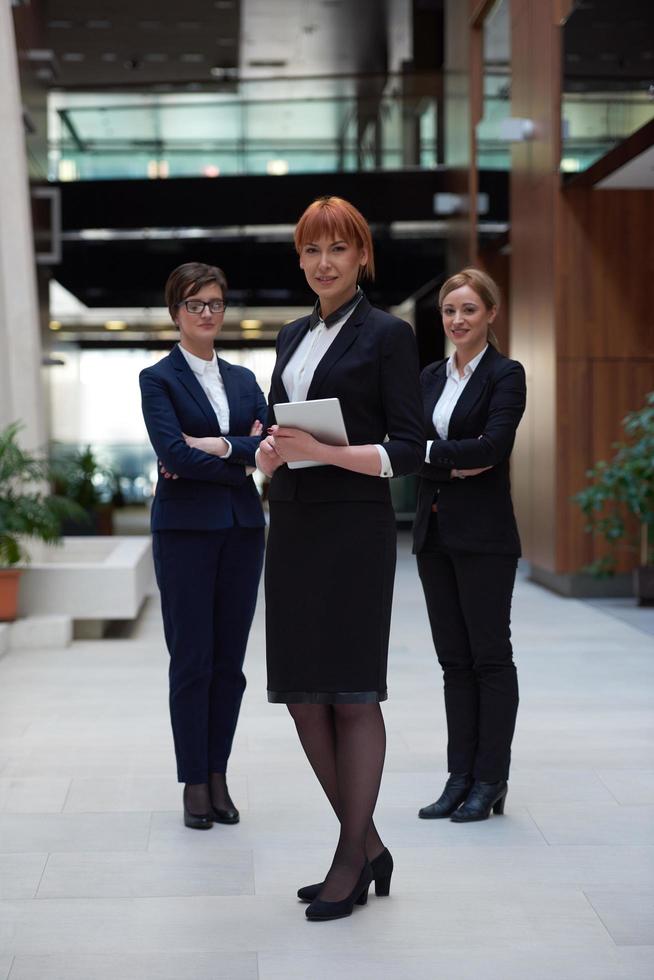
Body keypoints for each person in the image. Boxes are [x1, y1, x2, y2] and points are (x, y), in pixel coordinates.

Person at [257, 196, 424, 921]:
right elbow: (277, 427)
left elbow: (408, 448)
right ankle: (371, 844)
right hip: (292, 526)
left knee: (353, 693)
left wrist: (325, 453)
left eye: (337, 250)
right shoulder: (291, 336)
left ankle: (350, 858)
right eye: (311, 251)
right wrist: (269, 452)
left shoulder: (389, 335)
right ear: (299, 260)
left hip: (355, 528)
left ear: (361, 258)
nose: (323, 263)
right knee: (302, 694)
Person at [139, 262, 266, 830]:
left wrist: (215, 446)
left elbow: (269, 445)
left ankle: (219, 772)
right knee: (192, 661)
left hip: (242, 530)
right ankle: (193, 779)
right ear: (176, 312)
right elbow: (174, 455)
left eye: (215, 303)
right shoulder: (157, 379)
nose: (208, 313)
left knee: (229, 666)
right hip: (185, 534)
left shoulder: (243, 379)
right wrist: (239, 455)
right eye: (196, 305)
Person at [413, 268, 526, 823]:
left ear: (490, 315)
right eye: (449, 311)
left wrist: (437, 457)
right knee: (453, 662)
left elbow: (493, 448)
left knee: (489, 658)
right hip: (433, 533)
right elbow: (411, 446)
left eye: (469, 311)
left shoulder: (506, 375)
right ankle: (459, 777)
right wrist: (452, 459)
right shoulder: (431, 375)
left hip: (484, 538)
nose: (457, 320)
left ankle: (491, 779)